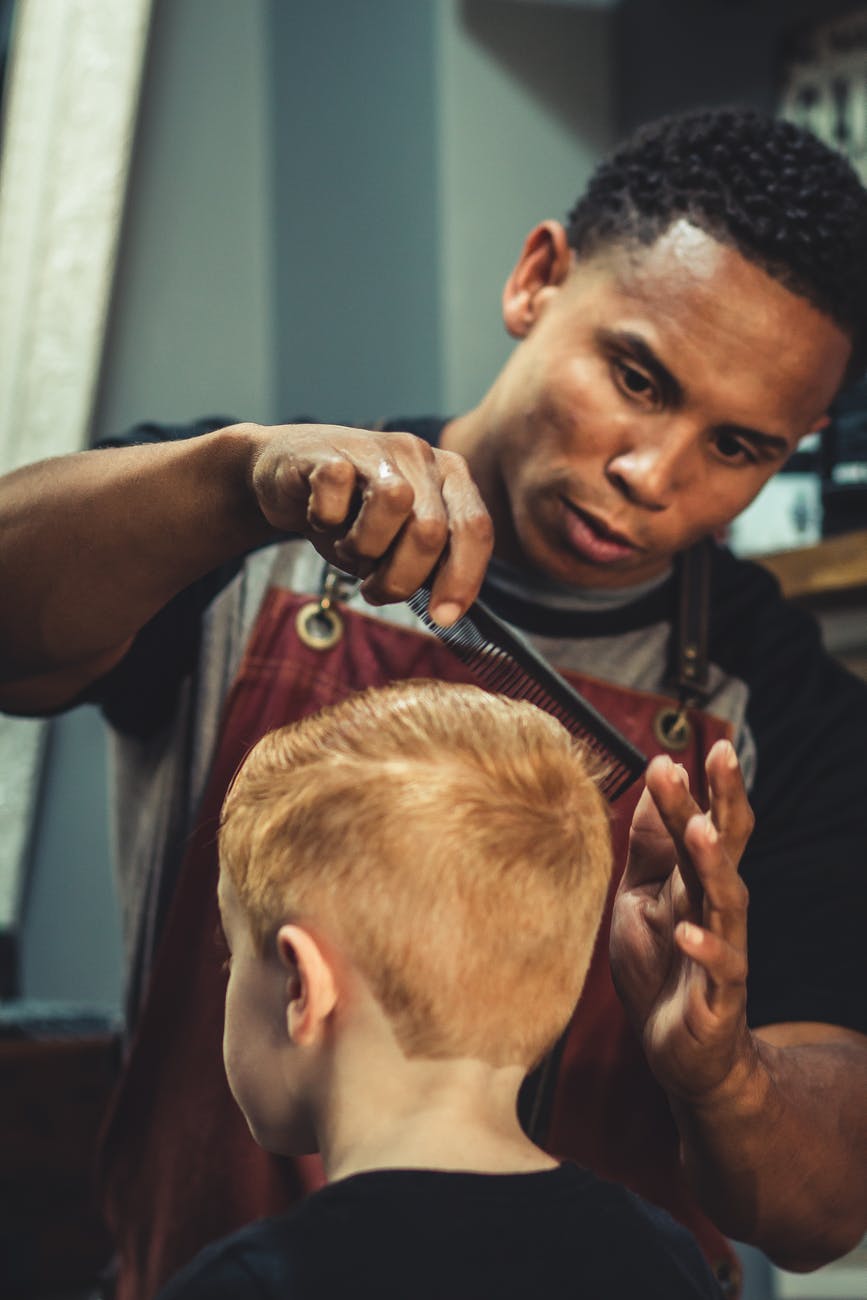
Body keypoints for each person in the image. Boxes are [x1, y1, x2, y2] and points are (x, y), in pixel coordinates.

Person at [0, 106, 865, 1299]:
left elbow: (823, 1210)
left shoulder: (787, 713)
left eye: (739, 448)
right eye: (636, 378)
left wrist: (725, 1079)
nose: (652, 474)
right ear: (537, 276)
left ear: (801, 441)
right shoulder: (247, 538)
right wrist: (238, 480)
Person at [154, 679, 723, 1300]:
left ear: (300, 985)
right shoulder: (659, 1259)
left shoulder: (247, 1286)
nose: (228, 971)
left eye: (231, 953)